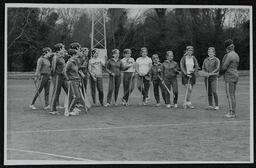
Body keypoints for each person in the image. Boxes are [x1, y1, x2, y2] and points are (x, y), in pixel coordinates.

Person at [220, 39, 240, 118]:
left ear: (227, 48)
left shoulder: (229, 55)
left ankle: (232, 112)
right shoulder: (236, 54)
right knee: (233, 95)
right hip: (235, 76)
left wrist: (219, 74)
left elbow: (224, 67)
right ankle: (233, 112)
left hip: (229, 77)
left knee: (229, 95)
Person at [49, 43, 68, 115]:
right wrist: (52, 76)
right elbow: (53, 68)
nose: (64, 48)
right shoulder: (55, 57)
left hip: (62, 76)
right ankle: (52, 109)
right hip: (57, 76)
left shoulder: (61, 57)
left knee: (66, 91)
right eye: (63, 47)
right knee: (56, 92)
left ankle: (71, 107)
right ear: (59, 49)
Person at [64, 49, 81, 116]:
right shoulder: (69, 62)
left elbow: (77, 71)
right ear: (73, 55)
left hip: (77, 80)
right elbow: (65, 71)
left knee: (77, 96)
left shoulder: (75, 62)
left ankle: (72, 108)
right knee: (76, 96)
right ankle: (70, 110)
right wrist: (68, 79)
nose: (77, 55)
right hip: (72, 81)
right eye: (76, 54)